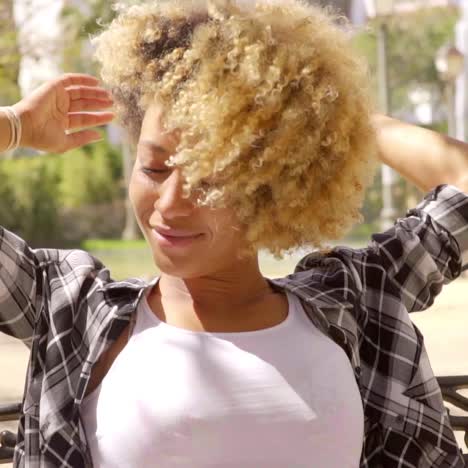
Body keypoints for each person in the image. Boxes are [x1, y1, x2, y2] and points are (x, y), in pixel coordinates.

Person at [0, 1, 467, 467]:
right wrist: (14, 126)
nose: (169, 203)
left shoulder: (359, 301)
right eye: (154, 167)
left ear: (272, 183)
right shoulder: (67, 306)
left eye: (209, 179)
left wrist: (330, 119)